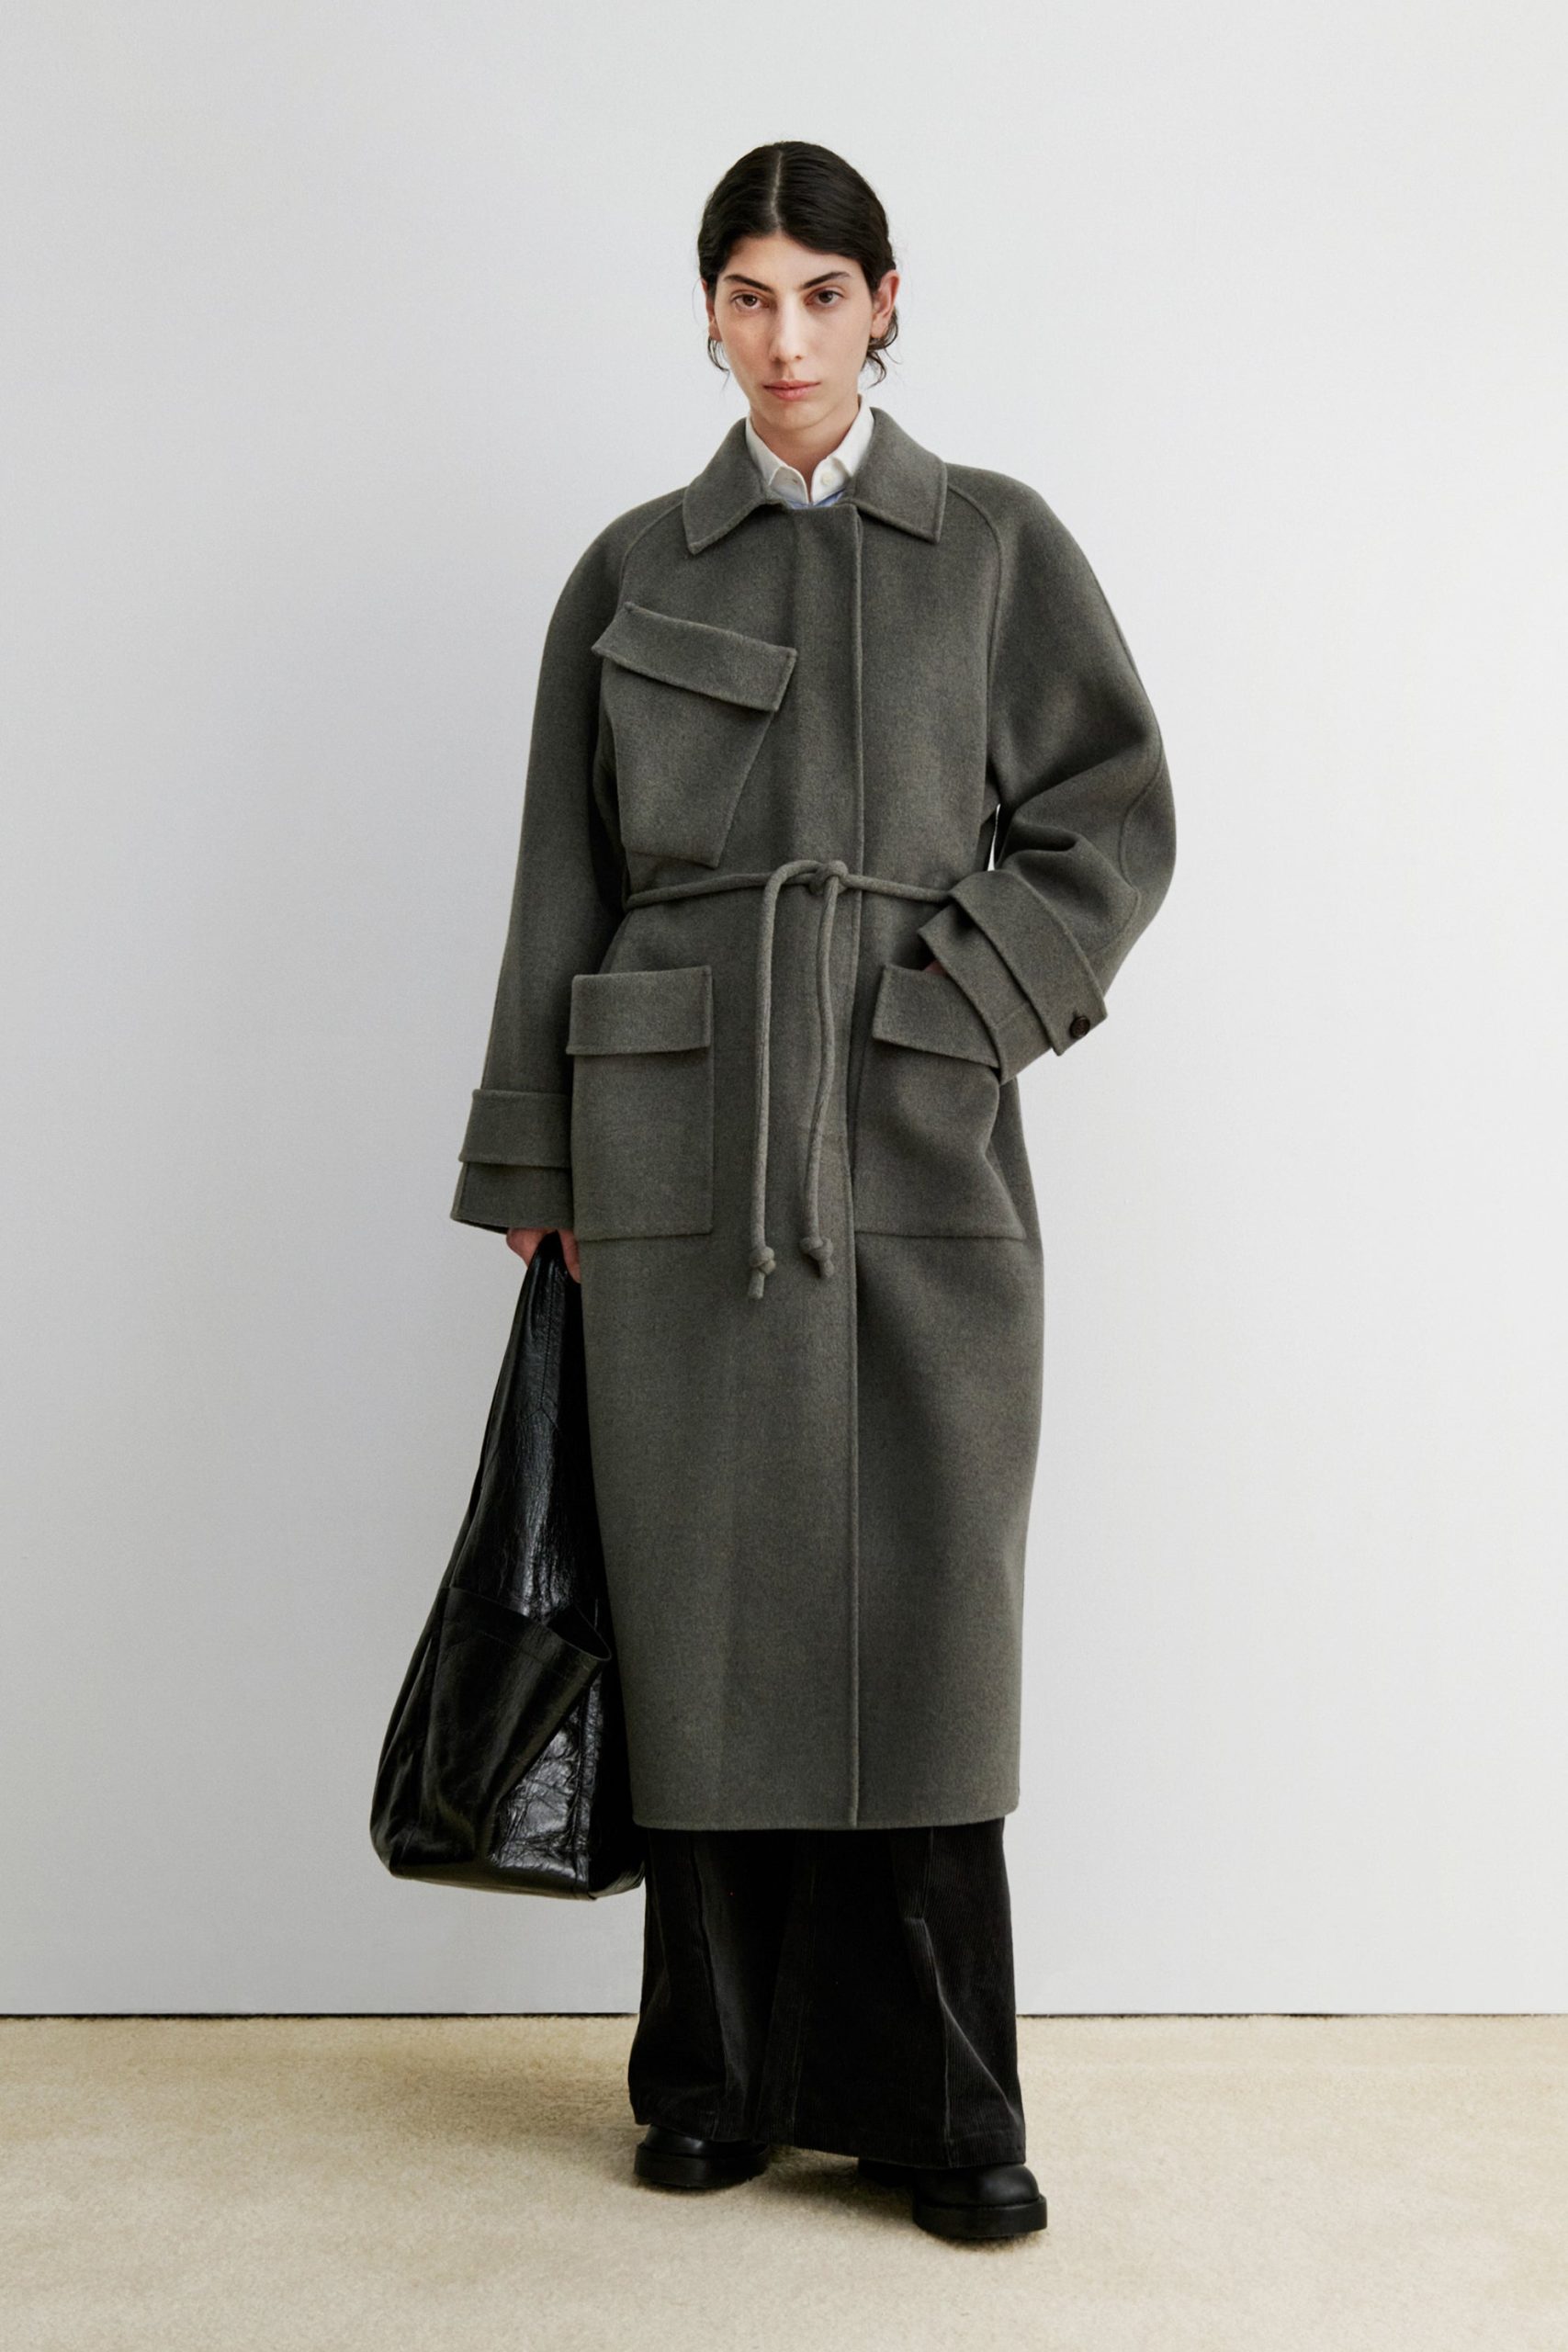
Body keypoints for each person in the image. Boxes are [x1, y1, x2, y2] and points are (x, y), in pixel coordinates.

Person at [449, 141, 1176, 2243]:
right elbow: (560, 873)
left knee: (923, 1620)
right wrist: (539, 1157)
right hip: (676, 1147)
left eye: (819, 295)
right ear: (705, 311)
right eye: (745, 295)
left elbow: (1109, 819)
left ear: (883, 302)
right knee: (701, 1623)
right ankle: (711, 2082)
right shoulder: (628, 568)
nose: (783, 338)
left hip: (914, 1137)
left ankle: (942, 2109)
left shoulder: (995, 543)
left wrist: (951, 1016)